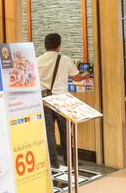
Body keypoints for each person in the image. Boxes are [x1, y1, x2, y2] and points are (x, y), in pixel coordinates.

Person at [37, 33, 89, 169]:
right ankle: (70, 161)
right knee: (65, 131)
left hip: (44, 100)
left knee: (49, 132)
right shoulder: (65, 60)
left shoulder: (37, 61)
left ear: (45, 45)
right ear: (58, 46)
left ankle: (53, 163)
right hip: (62, 101)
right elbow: (76, 78)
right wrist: (85, 75)